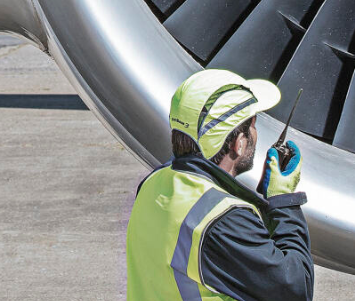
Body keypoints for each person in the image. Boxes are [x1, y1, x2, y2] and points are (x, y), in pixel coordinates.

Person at [124, 69, 314, 301]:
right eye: (252, 123)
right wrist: (284, 202)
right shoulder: (221, 219)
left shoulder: (155, 182)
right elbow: (295, 289)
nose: (255, 132)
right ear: (239, 143)